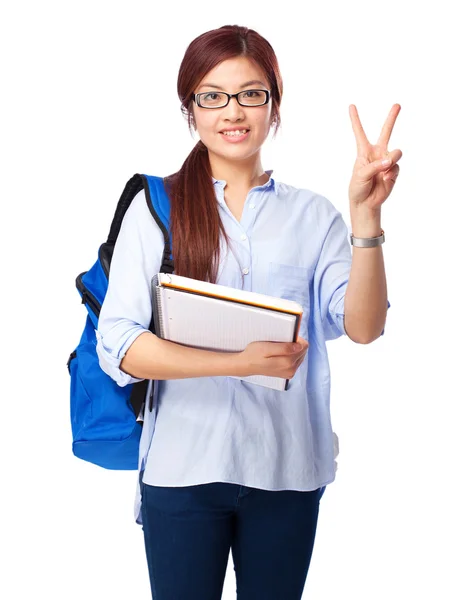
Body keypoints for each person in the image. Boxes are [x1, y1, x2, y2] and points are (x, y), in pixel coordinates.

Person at [96, 24, 401, 600]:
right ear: (191, 109)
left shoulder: (315, 216)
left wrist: (366, 221)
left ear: (274, 103)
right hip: (182, 470)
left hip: (287, 468)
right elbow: (121, 344)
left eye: (250, 93)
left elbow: (364, 327)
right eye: (211, 95)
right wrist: (237, 361)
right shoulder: (155, 207)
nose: (231, 111)